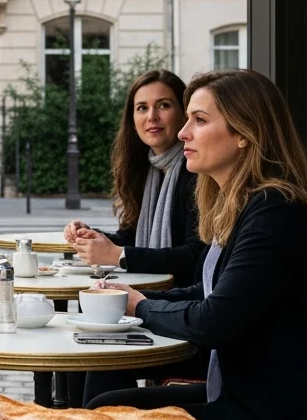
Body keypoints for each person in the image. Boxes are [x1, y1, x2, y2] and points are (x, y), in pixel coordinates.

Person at [89, 69, 307, 420]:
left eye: (199, 120)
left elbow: (214, 321)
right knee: (107, 411)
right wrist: (137, 298)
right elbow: (211, 293)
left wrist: (140, 306)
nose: (182, 133)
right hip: (256, 402)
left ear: (244, 135)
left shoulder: (277, 212)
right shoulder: (253, 204)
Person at [64, 70, 205, 287]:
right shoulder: (145, 170)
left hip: (182, 298)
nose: (152, 116)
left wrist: (119, 255)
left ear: (184, 113)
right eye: (142, 108)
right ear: (132, 118)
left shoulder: (198, 171)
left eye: (164, 105)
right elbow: (131, 237)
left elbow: (195, 254)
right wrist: (91, 235)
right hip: (153, 292)